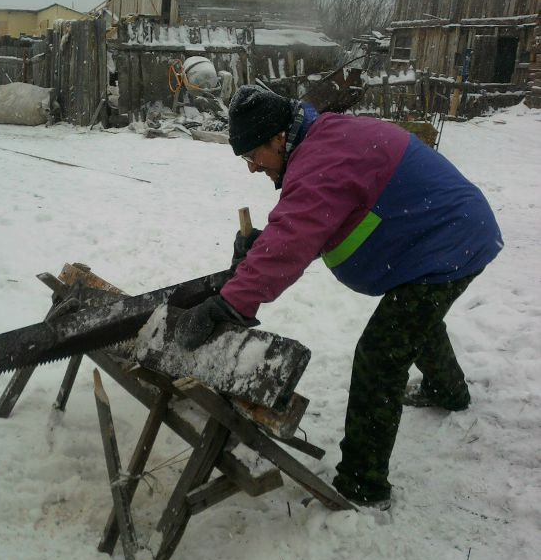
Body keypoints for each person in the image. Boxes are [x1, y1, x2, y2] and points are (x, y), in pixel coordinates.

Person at [175, 86, 503, 510]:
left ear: (278, 138)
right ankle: (448, 389)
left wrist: (230, 303)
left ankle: (364, 486)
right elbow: (313, 223)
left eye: (253, 155)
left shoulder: (323, 159)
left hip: (449, 242)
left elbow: (294, 238)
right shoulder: (321, 142)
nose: (253, 168)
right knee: (413, 320)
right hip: (438, 236)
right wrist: (260, 250)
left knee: (381, 353)